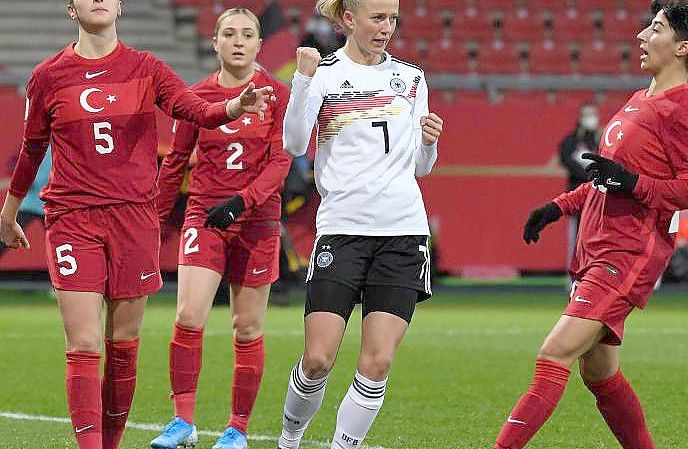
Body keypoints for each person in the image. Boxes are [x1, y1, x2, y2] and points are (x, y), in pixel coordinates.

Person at [0, 1, 273, 448]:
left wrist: (233, 106)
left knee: (123, 343)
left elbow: (194, 110)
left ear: (121, 6)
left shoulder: (147, 67)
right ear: (72, 10)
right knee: (84, 343)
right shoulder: (48, 76)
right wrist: (9, 211)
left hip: (133, 219)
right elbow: (32, 150)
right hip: (73, 218)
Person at [494, 2, 688, 448]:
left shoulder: (679, 110)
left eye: (655, 29)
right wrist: (559, 207)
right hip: (597, 249)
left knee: (553, 354)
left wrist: (636, 184)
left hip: (627, 255)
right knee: (599, 372)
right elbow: (608, 179)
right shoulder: (641, 100)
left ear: (681, 48)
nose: (641, 35)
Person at [277, 0, 444, 447]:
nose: (386, 27)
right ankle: (290, 437)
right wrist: (302, 79)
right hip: (342, 230)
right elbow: (294, 142)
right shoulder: (326, 73)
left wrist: (429, 144)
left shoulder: (411, 79)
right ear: (349, 19)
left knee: (377, 363)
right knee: (317, 359)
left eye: (392, 18)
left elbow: (421, 167)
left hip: (403, 233)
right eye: (377, 18)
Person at [150, 8, 291, 449]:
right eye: (228, 33)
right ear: (214, 42)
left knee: (246, 327)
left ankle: (237, 430)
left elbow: (281, 161)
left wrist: (243, 201)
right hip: (205, 215)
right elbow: (175, 162)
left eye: (247, 34)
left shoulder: (278, 94)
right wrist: (153, 224)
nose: (238, 41)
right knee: (189, 315)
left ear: (258, 44)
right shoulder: (196, 98)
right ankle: (183, 422)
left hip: (257, 219)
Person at [557, 102, 601, 271]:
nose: (591, 119)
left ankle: (594, 272)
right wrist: (589, 176)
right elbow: (566, 160)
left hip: (599, 196)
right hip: (578, 195)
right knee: (576, 235)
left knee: (597, 236)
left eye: (593, 114)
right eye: (587, 115)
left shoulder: (600, 139)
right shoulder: (571, 141)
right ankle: (574, 272)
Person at [0, 147, 50, 257]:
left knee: (61, 242)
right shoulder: (35, 143)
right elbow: (14, 164)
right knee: (5, 236)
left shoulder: (64, 146)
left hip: (52, 204)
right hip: (29, 201)